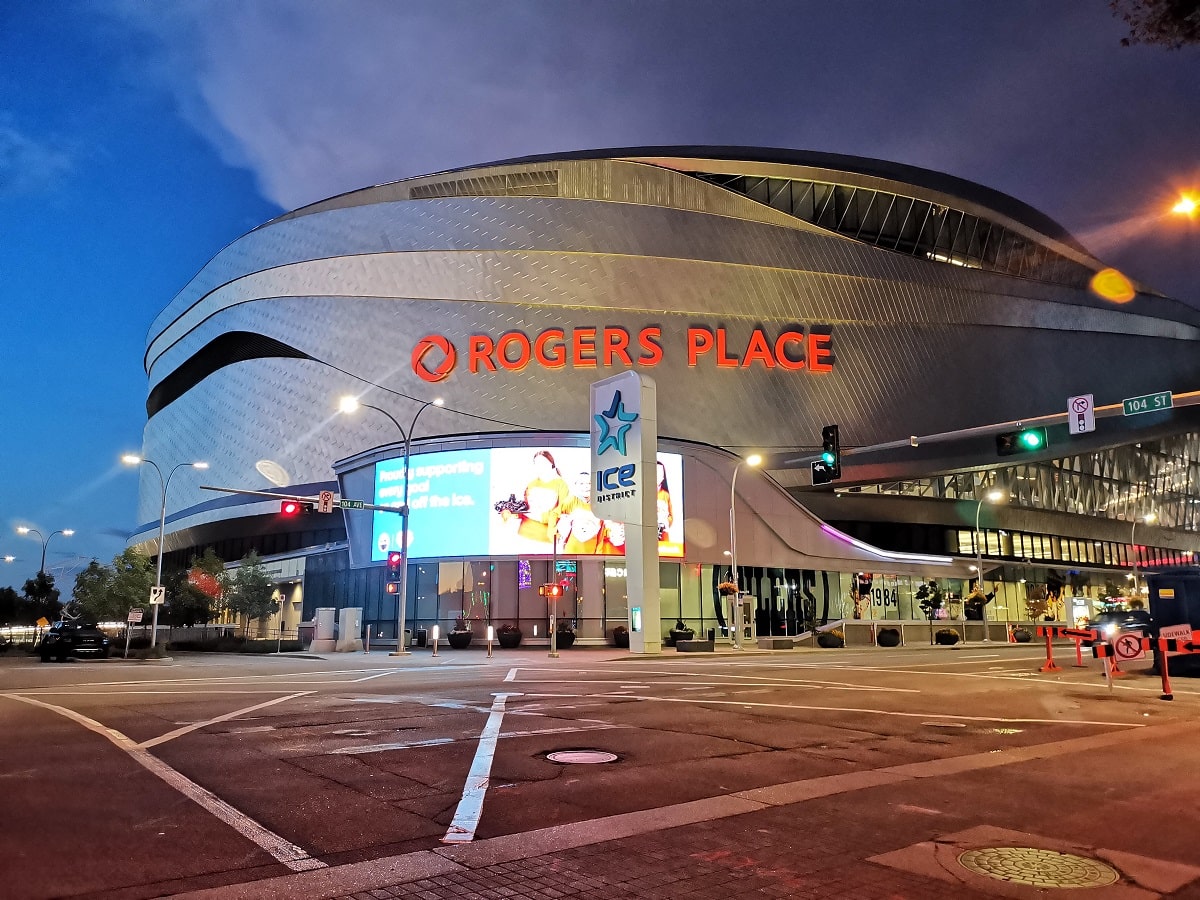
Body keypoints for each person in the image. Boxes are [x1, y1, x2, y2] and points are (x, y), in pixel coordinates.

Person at [514, 450, 571, 544]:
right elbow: (524, 508)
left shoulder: (561, 484)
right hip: (523, 534)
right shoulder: (532, 483)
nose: (540, 466)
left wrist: (542, 517)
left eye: (543, 463)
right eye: (537, 464)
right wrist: (510, 512)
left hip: (546, 539)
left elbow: (563, 512)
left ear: (551, 464)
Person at [656, 460, 674, 540]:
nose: (657, 476)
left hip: (663, 537)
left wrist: (665, 522)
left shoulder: (665, 495)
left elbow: (671, 516)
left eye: (660, 474)